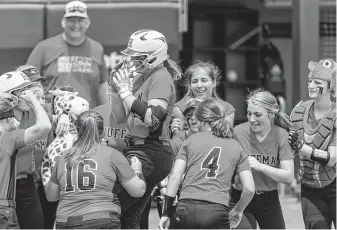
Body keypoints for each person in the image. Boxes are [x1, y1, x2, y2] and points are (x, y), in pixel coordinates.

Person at [109, 29, 182, 228]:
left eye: (138, 57)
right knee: (130, 216)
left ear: (153, 56)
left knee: (111, 207)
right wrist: (114, 90)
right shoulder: (142, 77)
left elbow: (153, 119)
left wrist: (125, 92)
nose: (133, 61)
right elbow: (119, 117)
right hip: (140, 149)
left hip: (150, 151)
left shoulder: (161, 76)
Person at [158, 99, 255, 229]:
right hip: (217, 210)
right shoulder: (236, 146)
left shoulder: (191, 140)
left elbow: (174, 177)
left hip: (185, 208)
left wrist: (166, 212)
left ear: (201, 120)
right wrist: (238, 210)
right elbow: (249, 189)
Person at [43, 110, 146, 229]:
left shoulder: (63, 157)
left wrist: (46, 171)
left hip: (66, 222)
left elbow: (51, 196)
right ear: (102, 133)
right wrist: (137, 170)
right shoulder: (112, 154)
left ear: (76, 130)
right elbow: (138, 190)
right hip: (100, 220)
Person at [0, 69, 69, 229]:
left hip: (26, 183)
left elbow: (54, 118)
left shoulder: (32, 112)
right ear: (9, 96)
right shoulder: (4, 121)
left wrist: (63, 115)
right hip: (4, 188)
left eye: (28, 89)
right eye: (22, 91)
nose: (28, 93)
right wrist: (33, 99)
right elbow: (44, 126)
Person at [230, 88, 294, 229]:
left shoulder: (281, 135)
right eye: (249, 113)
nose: (252, 119)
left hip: (269, 198)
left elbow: (289, 177)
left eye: (257, 114)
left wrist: (260, 166)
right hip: (241, 197)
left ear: (271, 114)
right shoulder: (238, 133)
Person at [26, 0, 109, 109]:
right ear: (63, 22)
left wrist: (108, 112)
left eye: (80, 20)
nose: (76, 25)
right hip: (53, 117)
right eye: (71, 20)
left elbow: (102, 86)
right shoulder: (44, 47)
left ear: (87, 23)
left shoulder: (97, 48)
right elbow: (28, 80)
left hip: (86, 119)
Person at [288, 59, 336, 229]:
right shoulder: (299, 111)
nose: (311, 85)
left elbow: (331, 159)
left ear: (331, 85)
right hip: (310, 187)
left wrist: (301, 146)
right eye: (310, 81)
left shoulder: (335, 114)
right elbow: (288, 151)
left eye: (317, 82)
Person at [0, 87, 51, 229]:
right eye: (10, 119)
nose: (14, 123)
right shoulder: (8, 139)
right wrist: (33, 100)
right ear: (4, 121)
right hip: (3, 209)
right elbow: (44, 126)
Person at [171, 61, 236, 136]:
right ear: (190, 84)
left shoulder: (227, 109)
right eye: (194, 81)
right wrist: (178, 133)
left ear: (214, 82)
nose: (199, 85)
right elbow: (178, 140)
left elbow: (226, 138)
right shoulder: (179, 108)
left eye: (204, 80)